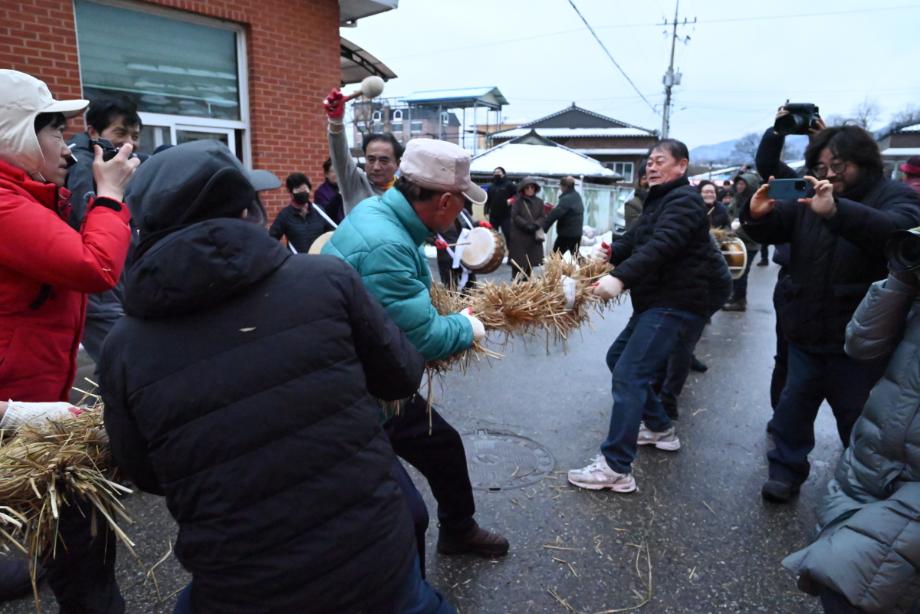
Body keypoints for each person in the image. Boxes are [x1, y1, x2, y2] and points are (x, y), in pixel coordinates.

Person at [100, 140, 454, 613]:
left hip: (240, 590)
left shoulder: (122, 347)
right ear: (247, 214)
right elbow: (400, 377)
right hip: (375, 567)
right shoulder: (326, 280)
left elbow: (146, 473)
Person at [322, 138, 509, 558]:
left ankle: (459, 529)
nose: (462, 211)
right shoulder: (386, 244)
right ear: (444, 200)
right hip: (351, 396)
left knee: (442, 445)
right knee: (405, 516)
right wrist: (468, 325)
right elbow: (424, 339)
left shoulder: (378, 212)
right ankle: (405, 595)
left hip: (376, 375)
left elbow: (402, 305)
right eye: (461, 203)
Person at [0, 69, 138, 612]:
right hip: (17, 409)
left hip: (28, 400)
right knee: (84, 550)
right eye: (56, 130)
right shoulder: (6, 205)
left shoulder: (28, 195)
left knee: (68, 534)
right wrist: (109, 195)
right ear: (15, 135)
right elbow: (95, 264)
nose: (70, 145)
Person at [741, 125, 920, 503]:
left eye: (838, 165)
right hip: (805, 329)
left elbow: (895, 232)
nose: (830, 174)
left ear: (863, 162)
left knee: (858, 419)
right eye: (822, 166)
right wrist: (755, 214)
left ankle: (859, 489)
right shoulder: (811, 195)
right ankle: (785, 472)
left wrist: (838, 212)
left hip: (860, 341)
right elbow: (776, 226)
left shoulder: (894, 195)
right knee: (792, 409)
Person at [567, 139, 714, 493]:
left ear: (682, 166)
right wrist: (609, 252)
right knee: (618, 358)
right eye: (649, 161)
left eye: (659, 160)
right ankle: (660, 429)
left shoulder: (685, 201)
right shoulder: (659, 200)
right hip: (656, 300)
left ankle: (616, 467)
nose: (650, 166)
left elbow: (662, 245)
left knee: (630, 375)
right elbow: (636, 240)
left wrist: (619, 278)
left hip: (675, 301)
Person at [782, 239, 920, 613]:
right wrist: (902, 278)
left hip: (911, 490)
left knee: (844, 584)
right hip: (868, 465)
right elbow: (861, 344)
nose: (828, 175)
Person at [64, 96, 143, 363]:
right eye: (120, 133)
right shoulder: (82, 167)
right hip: (99, 285)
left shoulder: (120, 163)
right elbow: (85, 217)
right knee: (126, 358)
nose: (130, 143)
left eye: (135, 135)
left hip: (121, 276)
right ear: (93, 132)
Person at [324, 89, 402, 214]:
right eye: (371, 159)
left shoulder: (407, 193)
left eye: (384, 160)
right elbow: (340, 156)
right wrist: (336, 121)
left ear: (397, 164)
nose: (376, 167)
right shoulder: (355, 184)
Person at [722, 172, 762, 311]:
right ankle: (734, 295)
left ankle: (740, 300)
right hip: (734, 241)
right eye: (738, 183)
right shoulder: (736, 199)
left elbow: (755, 225)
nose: (739, 186)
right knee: (733, 270)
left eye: (743, 184)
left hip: (750, 243)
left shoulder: (755, 202)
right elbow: (730, 214)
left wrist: (736, 232)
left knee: (742, 272)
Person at [269, 172, 334, 253]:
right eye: (298, 189)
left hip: (319, 261)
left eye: (304, 189)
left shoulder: (319, 211)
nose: (302, 192)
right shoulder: (285, 215)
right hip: (297, 262)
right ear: (291, 193)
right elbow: (271, 240)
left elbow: (332, 235)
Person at [509, 177, 547, 279]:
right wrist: (525, 224)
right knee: (518, 263)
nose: (530, 189)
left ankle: (526, 284)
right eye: (527, 187)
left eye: (532, 187)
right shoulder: (518, 201)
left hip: (533, 238)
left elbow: (543, 216)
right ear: (523, 189)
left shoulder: (539, 202)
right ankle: (515, 285)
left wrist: (535, 224)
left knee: (530, 263)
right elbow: (515, 215)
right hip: (519, 237)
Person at [543, 176, 584, 255]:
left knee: (555, 258)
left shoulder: (567, 199)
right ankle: (582, 267)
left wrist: (543, 228)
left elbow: (554, 215)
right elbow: (568, 211)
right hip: (577, 234)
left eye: (561, 186)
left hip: (566, 235)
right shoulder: (576, 196)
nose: (560, 188)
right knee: (574, 258)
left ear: (565, 187)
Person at [483, 166, 516, 249]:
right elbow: (488, 200)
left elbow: (518, 195)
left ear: (503, 174)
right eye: (495, 172)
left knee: (508, 235)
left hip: (506, 216)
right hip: (494, 216)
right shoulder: (491, 187)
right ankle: (494, 256)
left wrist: (511, 200)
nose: (497, 173)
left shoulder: (509, 184)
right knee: (493, 237)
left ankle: (511, 257)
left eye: (499, 172)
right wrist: (486, 212)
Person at [313, 157, 345, 224]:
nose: (337, 174)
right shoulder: (320, 193)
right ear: (326, 174)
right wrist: (339, 195)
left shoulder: (346, 188)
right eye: (333, 171)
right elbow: (326, 214)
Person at [624, 161, 648, 231]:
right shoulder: (632, 204)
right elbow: (633, 231)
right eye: (645, 178)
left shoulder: (668, 199)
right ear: (639, 182)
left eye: (653, 178)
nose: (649, 181)